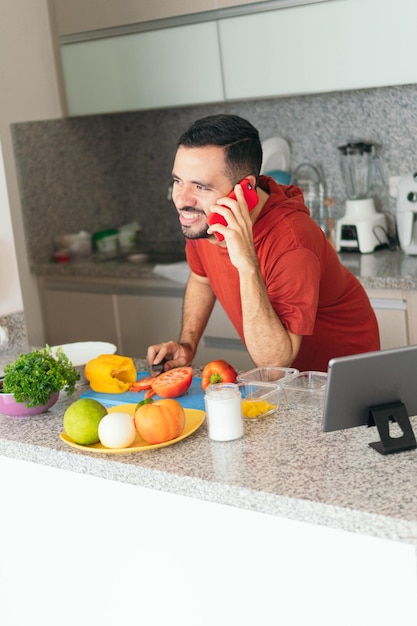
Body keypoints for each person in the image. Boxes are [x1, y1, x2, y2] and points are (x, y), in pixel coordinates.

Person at [147, 114, 380, 373]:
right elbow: (202, 278)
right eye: (178, 181)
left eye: (201, 187)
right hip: (287, 379)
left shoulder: (292, 240)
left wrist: (247, 263)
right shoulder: (203, 220)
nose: (181, 200)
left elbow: (275, 362)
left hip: (341, 378)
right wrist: (187, 344)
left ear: (245, 188)